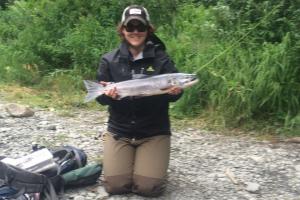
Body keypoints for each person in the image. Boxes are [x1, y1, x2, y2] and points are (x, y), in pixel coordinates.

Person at [96, 5, 182, 197]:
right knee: (116, 186)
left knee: (147, 188)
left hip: (154, 131)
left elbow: (175, 96)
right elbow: (101, 100)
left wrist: (175, 92)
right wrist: (106, 94)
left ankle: (148, 163)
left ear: (148, 30)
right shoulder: (109, 60)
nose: (135, 32)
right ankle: (131, 161)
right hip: (120, 131)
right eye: (130, 27)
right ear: (122, 30)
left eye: (140, 27)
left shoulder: (162, 60)